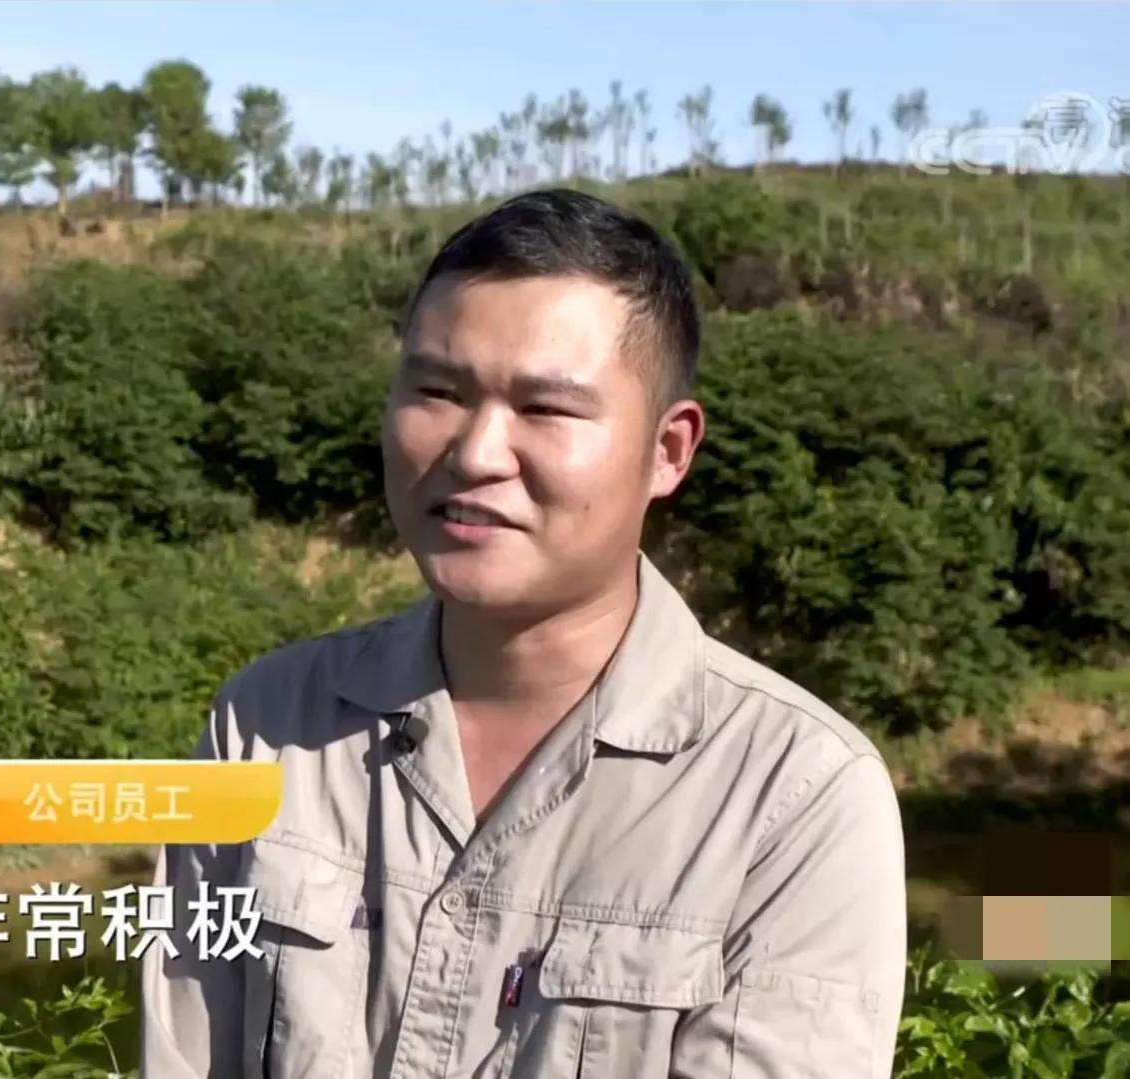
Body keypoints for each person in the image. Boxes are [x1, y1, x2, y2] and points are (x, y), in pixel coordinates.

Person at [140, 187, 907, 1078]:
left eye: (544, 408)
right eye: (436, 390)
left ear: (668, 451)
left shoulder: (794, 794)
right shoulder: (266, 726)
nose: (472, 453)